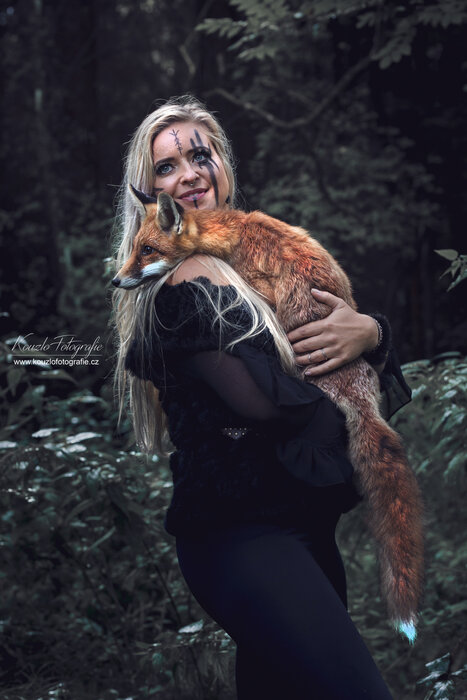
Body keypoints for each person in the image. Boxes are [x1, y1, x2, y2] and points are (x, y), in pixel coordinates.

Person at [114, 95, 410, 699]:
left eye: (200, 155)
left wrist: (371, 333)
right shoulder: (185, 279)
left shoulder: (253, 260)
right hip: (243, 539)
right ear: (150, 197)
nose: (189, 174)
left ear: (224, 165)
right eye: (166, 167)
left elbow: (327, 363)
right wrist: (357, 374)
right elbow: (270, 406)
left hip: (304, 530)